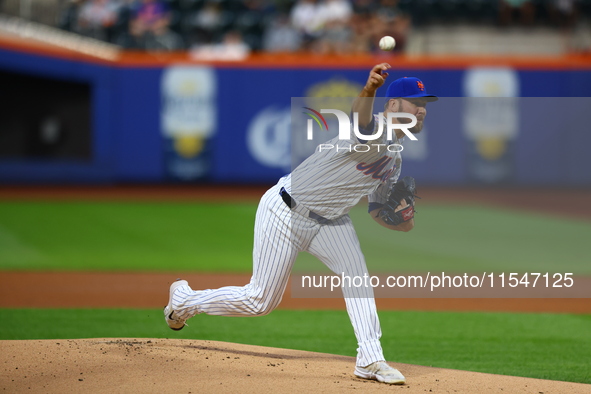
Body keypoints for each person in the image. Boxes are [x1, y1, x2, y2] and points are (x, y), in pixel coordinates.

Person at [164, 63, 437, 385]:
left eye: (424, 105)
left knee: (357, 276)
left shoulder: (395, 158)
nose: (421, 110)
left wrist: (403, 223)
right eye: (415, 103)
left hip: (331, 221)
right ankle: (185, 301)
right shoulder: (373, 129)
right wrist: (369, 89)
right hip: (286, 211)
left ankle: (370, 359)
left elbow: (377, 211)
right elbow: (361, 117)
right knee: (259, 301)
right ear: (393, 106)